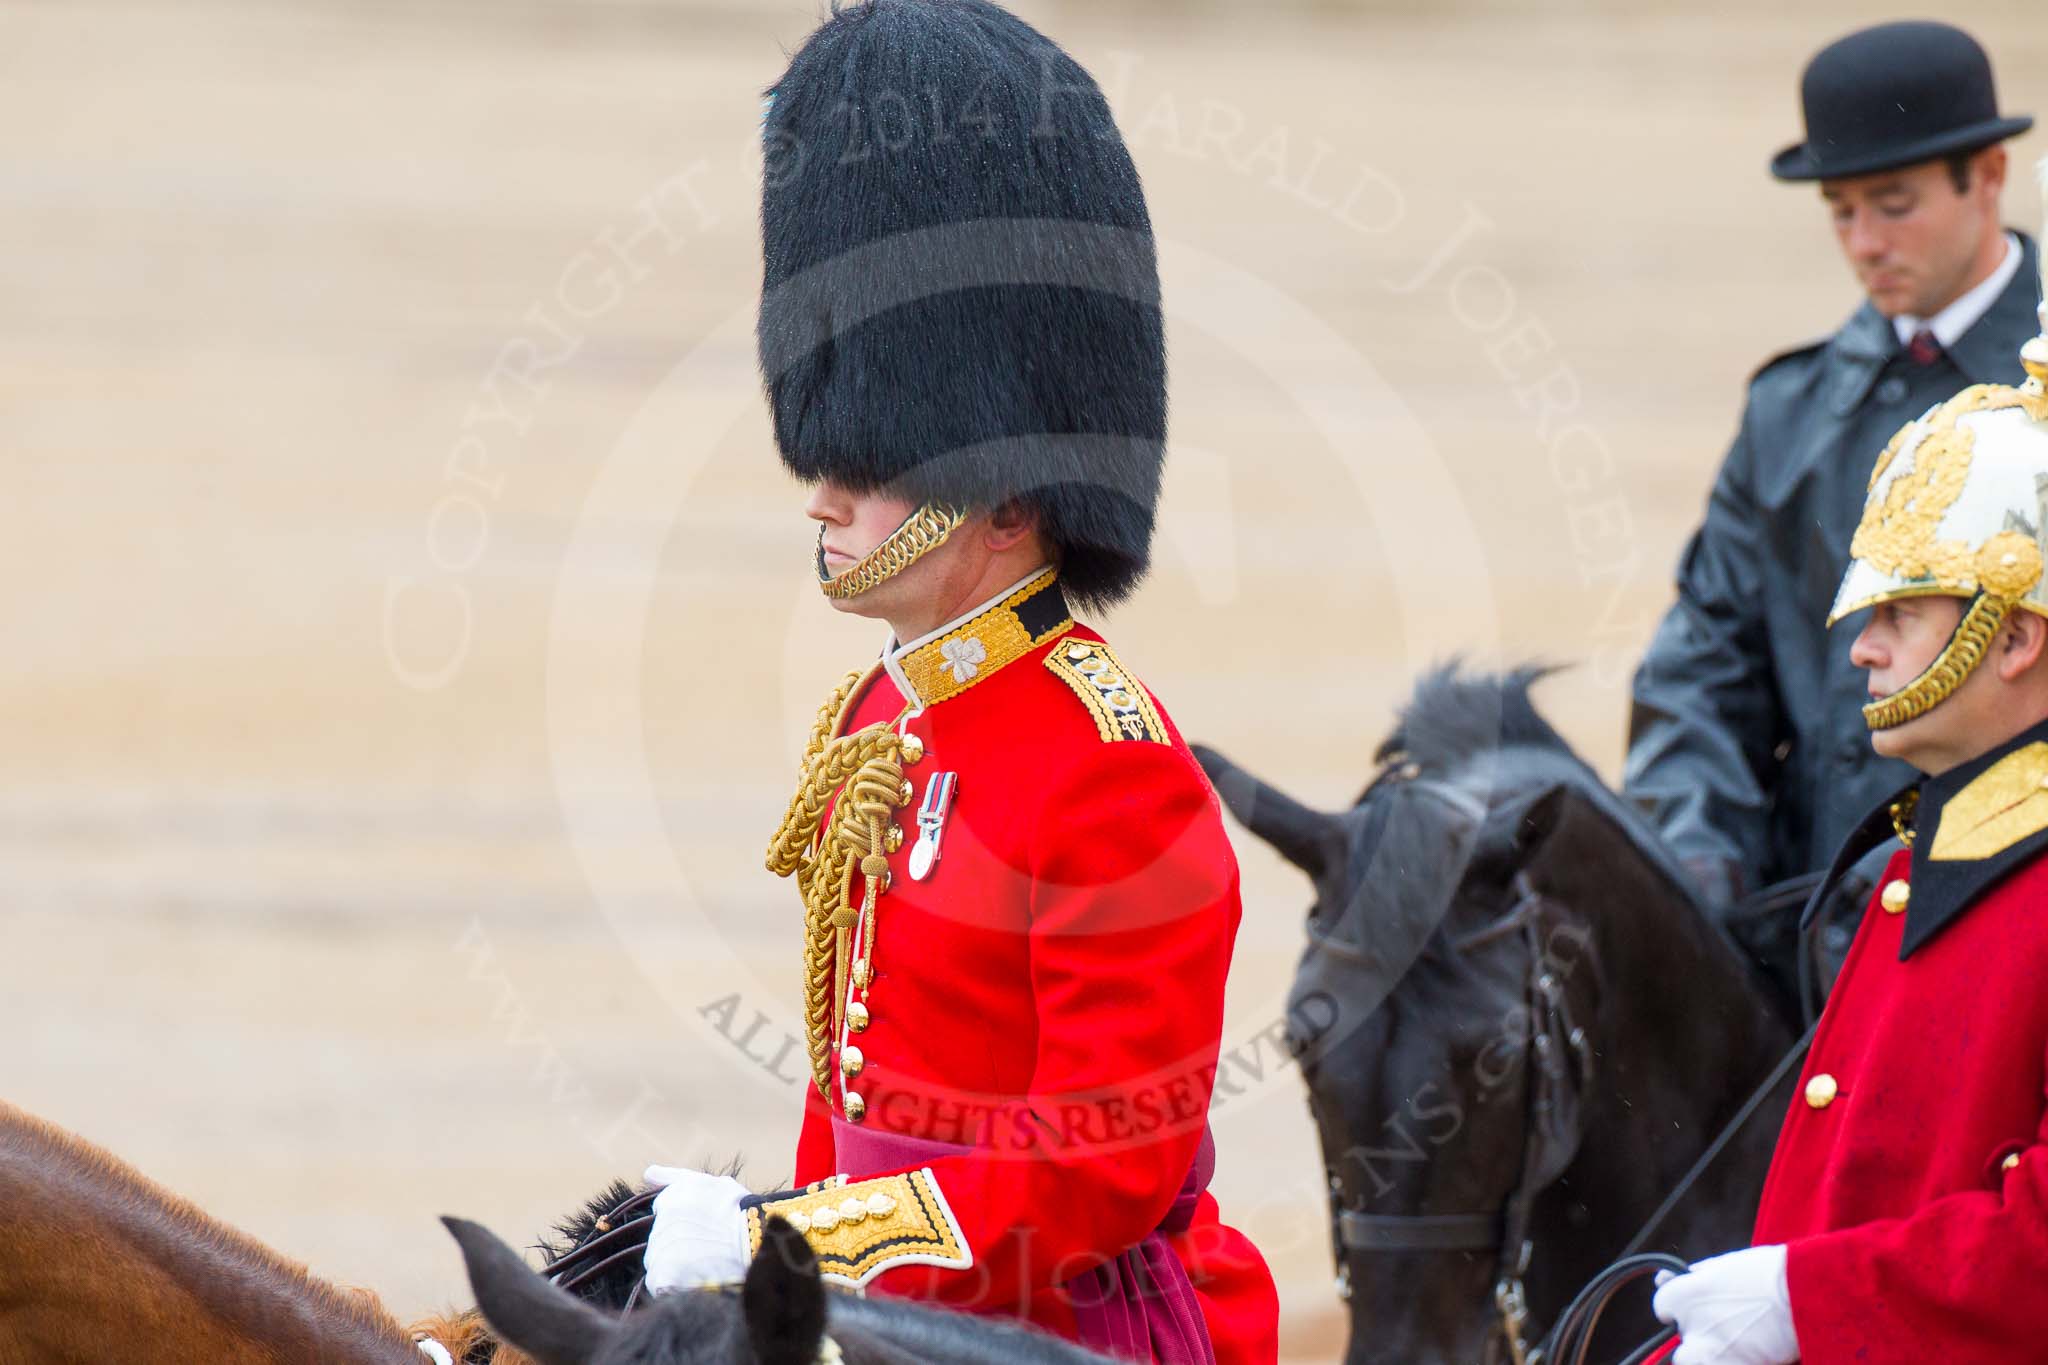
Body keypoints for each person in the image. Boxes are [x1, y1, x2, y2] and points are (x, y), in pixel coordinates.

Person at [634, 3, 1279, 1361]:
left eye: (869, 471)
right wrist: (788, 1236)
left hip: (1067, 1327)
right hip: (886, 1309)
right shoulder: (884, 712)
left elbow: (1101, 1168)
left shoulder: (1109, 763)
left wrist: (800, 1245)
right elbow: (853, 1084)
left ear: (1000, 501)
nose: (825, 498)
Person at [1650, 226, 2048, 1363]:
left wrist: (1803, 1304)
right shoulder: (1936, 845)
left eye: (1898, 615)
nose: (1863, 652)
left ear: (2011, 636)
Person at [1624, 20, 2039, 922]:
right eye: (1841, 211)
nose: (1864, 242)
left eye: (1893, 204)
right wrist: (1693, 857)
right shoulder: (1787, 411)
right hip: (1802, 924)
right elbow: (1703, 664)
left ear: (1990, 176)